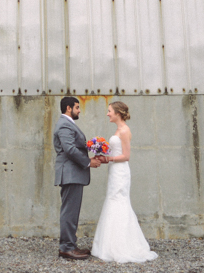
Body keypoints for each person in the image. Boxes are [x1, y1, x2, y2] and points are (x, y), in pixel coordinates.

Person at [90, 100, 159, 263]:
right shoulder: (117, 130)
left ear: (118, 113)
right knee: (112, 201)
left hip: (120, 172)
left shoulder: (125, 131)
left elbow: (126, 156)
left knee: (119, 202)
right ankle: (108, 245)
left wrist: (109, 158)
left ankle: (123, 246)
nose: (107, 114)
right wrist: (103, 154)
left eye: (109, 111)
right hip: (114, 171)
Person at [53, 96, 102, 260]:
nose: (79, 110)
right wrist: (88, 162)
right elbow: (69, 149)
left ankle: (70, 245)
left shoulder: (67, 124)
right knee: (69, 212)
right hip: (70, 173)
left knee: (72, 212)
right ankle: (66, 248)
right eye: (77, 107)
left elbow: (74, 146)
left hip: (72, 173)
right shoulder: (64, 125)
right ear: (68, 108)